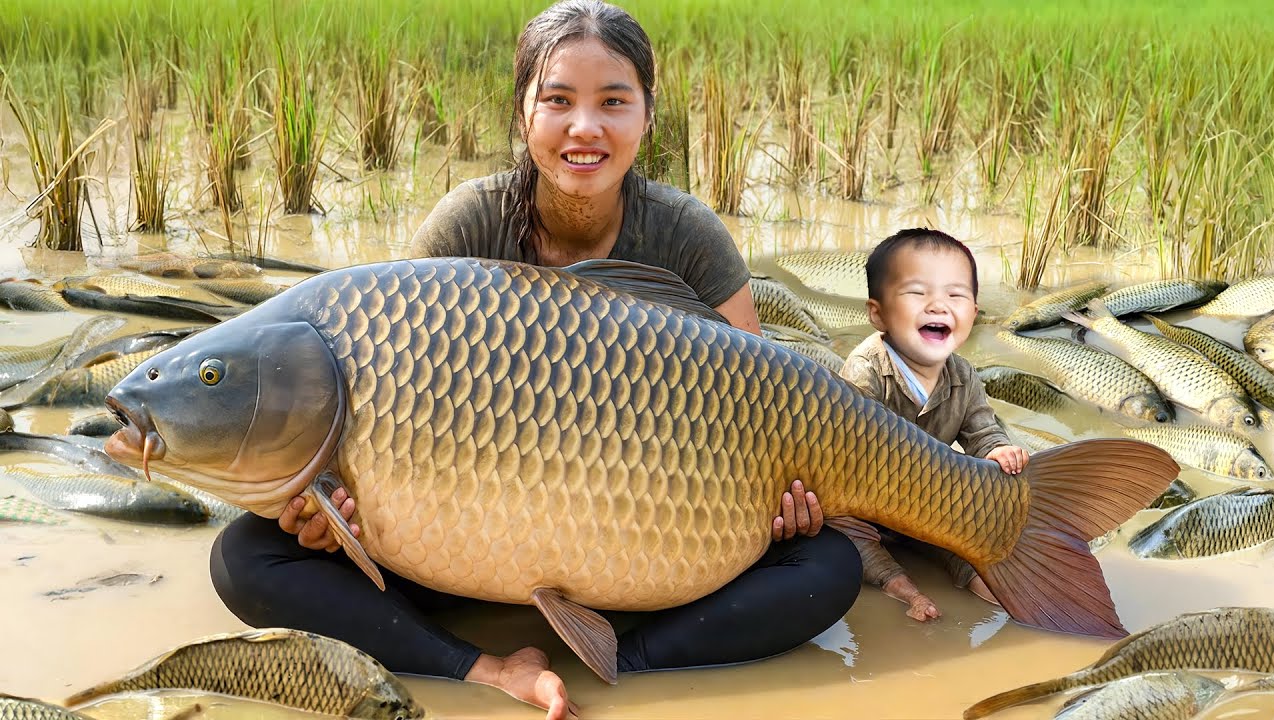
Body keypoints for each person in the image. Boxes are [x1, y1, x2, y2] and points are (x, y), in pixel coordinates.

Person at [209, 3, 861, 718]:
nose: (585, 127)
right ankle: (484, 668)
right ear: (523, 114)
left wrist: (789, 503)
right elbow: (378, 377)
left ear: (647, 114)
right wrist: (333, 517)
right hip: (460, 543)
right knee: (247, 558)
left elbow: (765, 395)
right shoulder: (467, 223)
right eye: (558, 101)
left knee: (827, 568)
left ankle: (633, 660)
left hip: (664, 544)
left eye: (614, 102)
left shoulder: (687, 232)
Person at [837, 228, 1029, 623]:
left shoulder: (964, 375)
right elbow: (855, 453)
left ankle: (998, 594)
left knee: (968, 548)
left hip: (929, 504)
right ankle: (905, 591)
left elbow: (982, 431)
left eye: (955, 295)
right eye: (917, 293)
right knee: (848, 538)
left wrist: (997, 451)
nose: (938, 306)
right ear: (878, 313)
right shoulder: (865, 369)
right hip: (866, 503)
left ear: (973, 314)